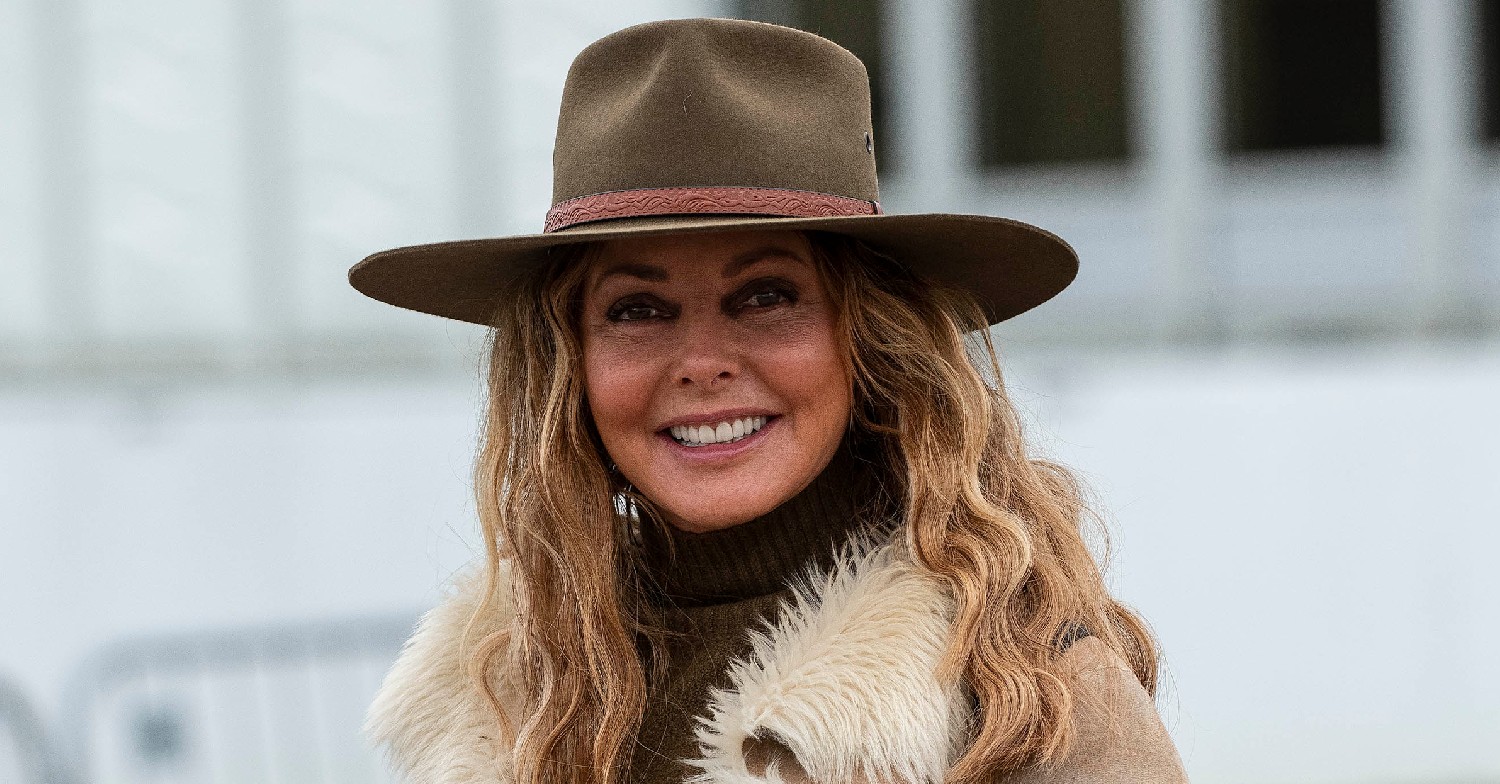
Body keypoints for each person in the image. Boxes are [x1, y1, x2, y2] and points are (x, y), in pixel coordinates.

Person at [350, 17, 1187, 784]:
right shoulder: (502, 700)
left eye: (765, 297)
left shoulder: (1026, 693)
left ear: (870, 343)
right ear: (566, 366)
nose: (703, 363)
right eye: (637, 311)